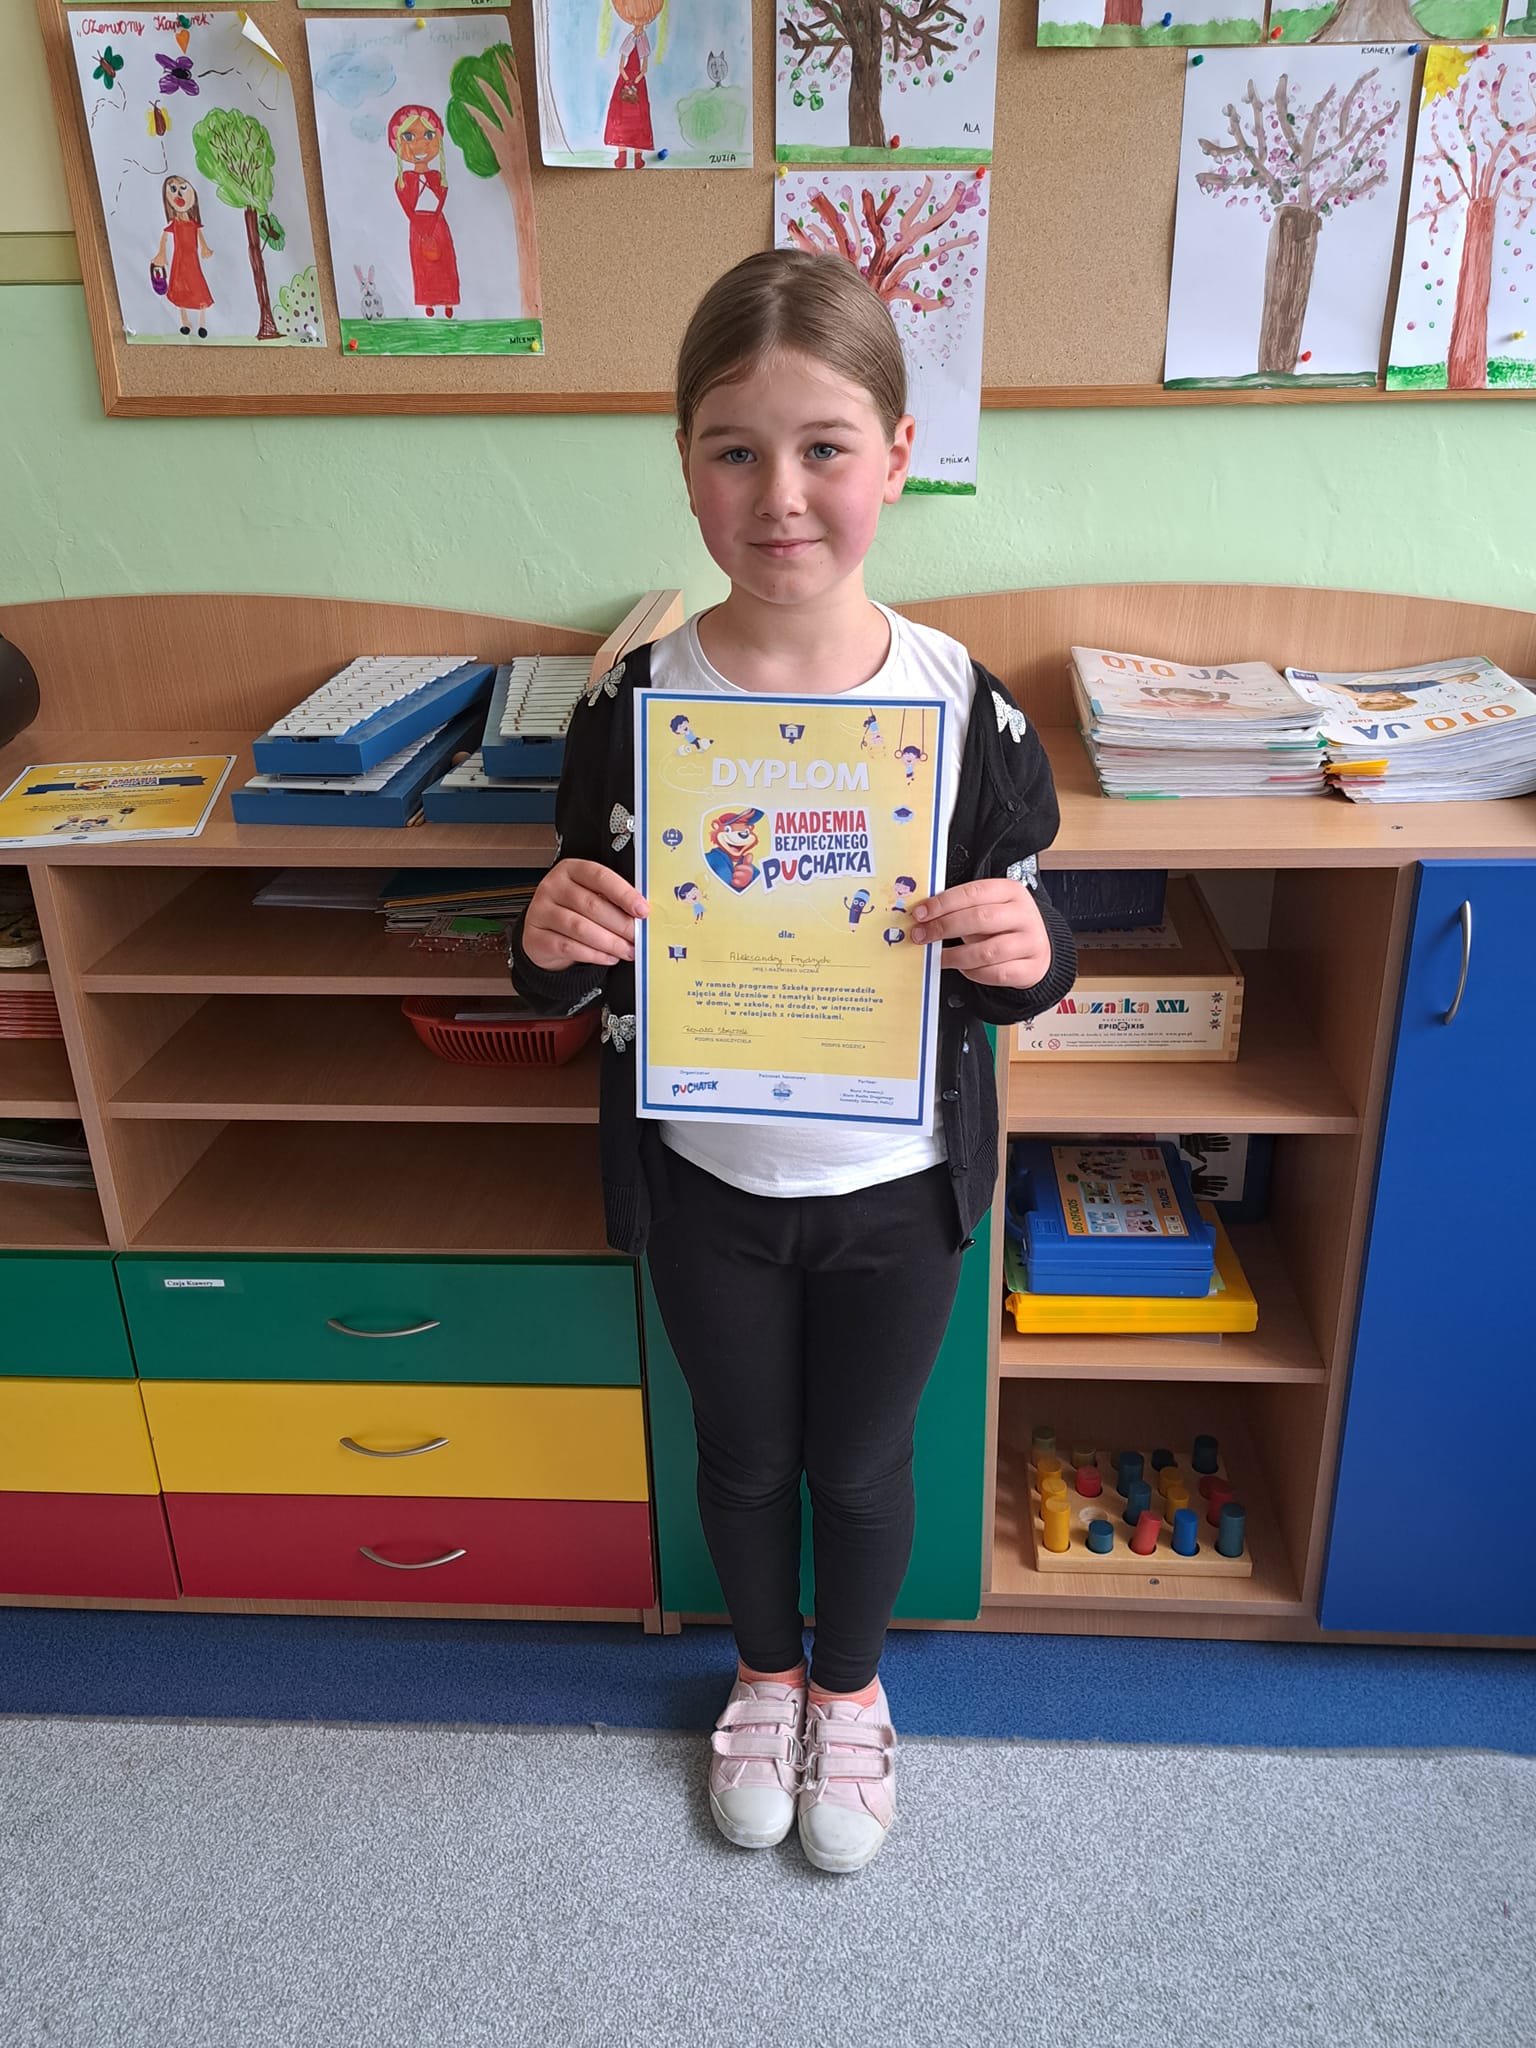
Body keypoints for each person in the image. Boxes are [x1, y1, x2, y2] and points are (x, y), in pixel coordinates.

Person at [511, 248, 1075, 1875]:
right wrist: (545, 939)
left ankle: (851, 1687)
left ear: (896, 455)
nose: (779, 494)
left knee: (864, 1462)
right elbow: (570, 958)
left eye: (824, 446)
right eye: (734, 449)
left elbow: (1024, 953)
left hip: (897, 1186)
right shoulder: (629, 706)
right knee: (745, 1458)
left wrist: (1033, 957)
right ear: (686, 466)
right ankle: (763, 1678)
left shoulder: (967, 709)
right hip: (707, 1180)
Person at [388, 105, 460, 319]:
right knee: (423, 266)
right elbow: (408, 209)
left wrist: (432, 225)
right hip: (419, 227)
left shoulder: (438, 177)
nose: (420, 144)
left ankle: (449, 301)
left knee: (445, 263)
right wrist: (422, 229)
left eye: (428, 135)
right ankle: (428, 301)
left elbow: (441, 200)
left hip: (438, 225)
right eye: (409, 137)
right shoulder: (404, 181)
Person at [154, 175, 212, 338]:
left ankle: (202, 324)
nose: (178, 194)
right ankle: (185, 323)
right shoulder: (174, 224)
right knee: (180, 289)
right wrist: (161, 254)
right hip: (179, 261)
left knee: (198, 286)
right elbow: (164, 238)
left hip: (192, 261)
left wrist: (205, 248)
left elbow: (199, 236)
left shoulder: (193, 223)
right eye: (173, 190)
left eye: (183, 188)